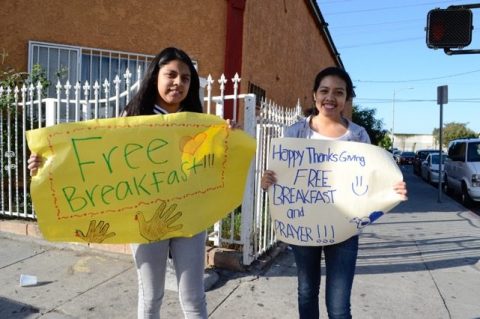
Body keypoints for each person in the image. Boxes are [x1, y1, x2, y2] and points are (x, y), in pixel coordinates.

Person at [28, 47, 223, 319]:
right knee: (151, 296)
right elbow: (95, 159)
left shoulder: (201, 125)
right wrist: (48, 164)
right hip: (144, 221)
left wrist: (231, 141)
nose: (178, 82)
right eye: (171, 74)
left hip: (190, 219)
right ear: (156, 76)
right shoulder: (131, 119)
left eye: (186, 78)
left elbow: (216, 168)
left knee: (193, 298)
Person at [261, 66, 408, 319]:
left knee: (339, 307)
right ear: (314, 95)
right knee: (306, 292)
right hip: (303, 227)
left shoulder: (358, 135)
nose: (331, 97)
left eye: (338, 92)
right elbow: (280, 176)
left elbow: (371, 181)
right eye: (325, 90)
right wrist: (268, 181)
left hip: (345, 230)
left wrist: (392, 189)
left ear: (346, 99)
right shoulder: (295, 133)